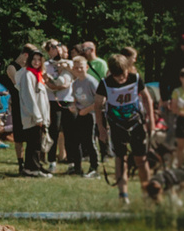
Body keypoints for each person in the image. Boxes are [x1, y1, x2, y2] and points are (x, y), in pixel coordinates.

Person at [100, 49, 152, 203]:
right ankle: (123, 196)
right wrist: (102, 129)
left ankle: (147, 192)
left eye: (122, 75)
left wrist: (151, 121)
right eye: (117, 76)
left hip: (136, 123)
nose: (120, 79)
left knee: (141, 159)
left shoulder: (135, 78)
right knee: (120, 159)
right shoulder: (105, 83)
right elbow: (97, 105)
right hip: (117, 125)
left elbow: (147, 98)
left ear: (127, 69)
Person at [11, 47, 53, 177]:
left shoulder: (37, 75)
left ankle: (36, 165)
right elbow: (29, 98)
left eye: (39, 60)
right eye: (34, 59)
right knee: (33, 144)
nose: (36, 62)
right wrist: (38, 117)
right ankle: (31, 169)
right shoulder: (27, 75)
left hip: (39, 116)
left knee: (37, 143)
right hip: (32, 117)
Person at [63, 52, 104, 178]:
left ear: (86, 67)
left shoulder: (91, 81)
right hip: (80, 114)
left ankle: (94, 168)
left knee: (90, 142)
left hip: (91, 115)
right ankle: (77, 167)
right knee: (75, 141)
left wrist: (87, 110)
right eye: (76, 68)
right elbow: (76, 99)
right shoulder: (75, 83)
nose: (79, 70)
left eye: (81, 67)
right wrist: (74, 107)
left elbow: (101, 100)